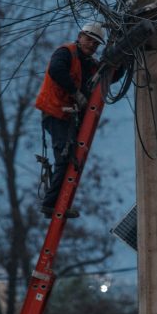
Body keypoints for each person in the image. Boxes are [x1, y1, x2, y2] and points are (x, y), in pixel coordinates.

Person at [35, 22, 106, 219]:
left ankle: (58, 204)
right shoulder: (66, 52)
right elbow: (56, 70)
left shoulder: (89, 64)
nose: (92, 45)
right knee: (65, 158)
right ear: (80, 36)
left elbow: (109, 75)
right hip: (55, 112)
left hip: (67, 116)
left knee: (71, 159)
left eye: (96, 43)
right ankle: (51, 205)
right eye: (89, 40)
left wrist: (122, 60)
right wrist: (75, 93)